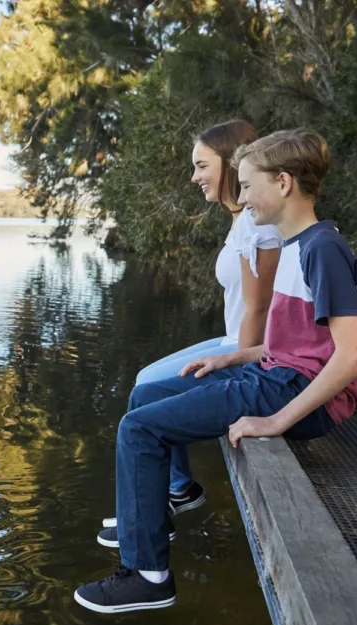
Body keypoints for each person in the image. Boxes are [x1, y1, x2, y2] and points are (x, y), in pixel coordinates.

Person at [75, 128, 357, 613]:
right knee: (145, 398)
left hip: (292, 392)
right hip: (275, 375)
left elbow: (353, 356)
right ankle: (150, 518)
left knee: (138, 430)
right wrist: (232, 357)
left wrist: (276, 421)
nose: (243, 196)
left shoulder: (323, 249)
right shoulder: (298, 246)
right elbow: (301, 345)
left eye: (249, 185)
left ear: (283, 183)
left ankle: (148, 575)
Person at [106, 120, 283, 529]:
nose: (195, 176)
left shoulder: (257, 228)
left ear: (230, 163)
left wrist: (241, 366)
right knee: (144, 381)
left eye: (202, 165)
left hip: (246, 349)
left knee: (145, 393)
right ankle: (178, 485)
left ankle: (174, 491)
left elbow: (259, 308)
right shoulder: (242, 221)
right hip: (233, 339)